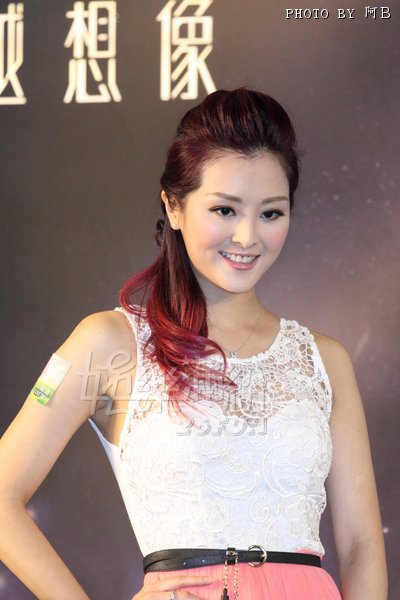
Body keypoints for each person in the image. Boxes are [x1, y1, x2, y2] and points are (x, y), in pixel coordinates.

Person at [0, 88, 387, 600]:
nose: (247, 237)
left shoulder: (324, 361)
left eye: (271, 213)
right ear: (175, 207)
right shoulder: (109, 345)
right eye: (225, 210)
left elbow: (361, 544)